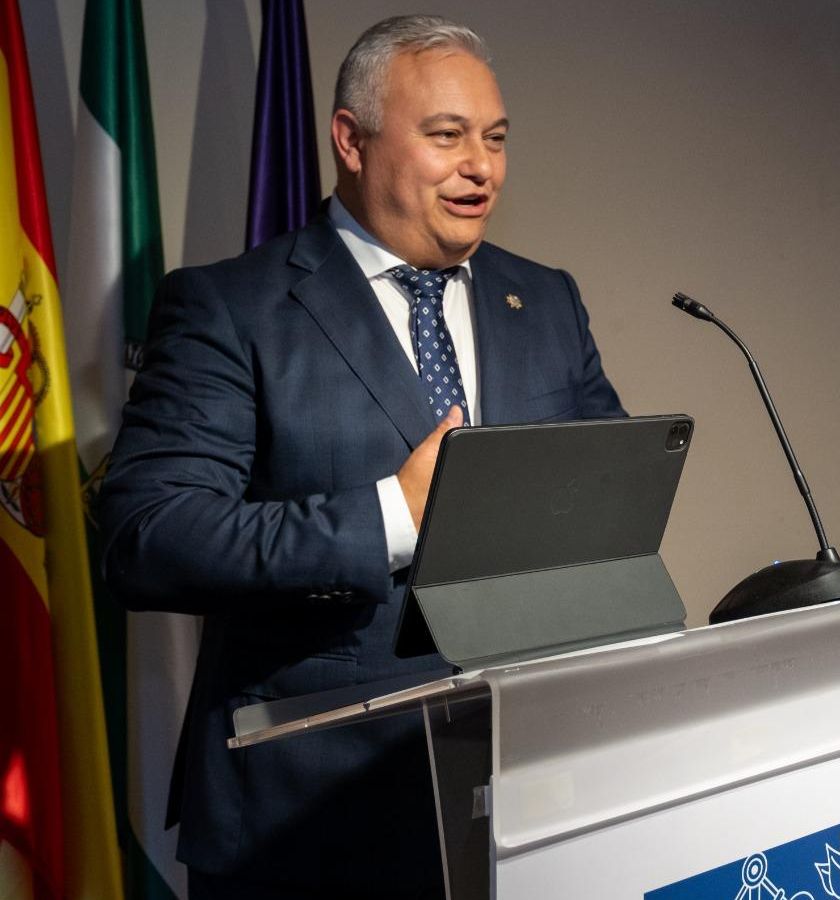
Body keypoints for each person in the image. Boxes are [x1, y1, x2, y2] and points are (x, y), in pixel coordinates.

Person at [96, 16, 623, 898]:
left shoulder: (548, 300)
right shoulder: (230, 309)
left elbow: (608, 496)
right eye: (446, 135)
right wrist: (395, 514)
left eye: (494, 139)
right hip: (311, 822)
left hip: (531, 800)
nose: (481, 166)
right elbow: (147, 536)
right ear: (350, 139)